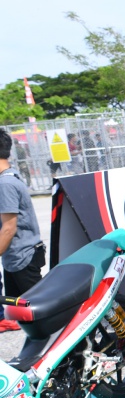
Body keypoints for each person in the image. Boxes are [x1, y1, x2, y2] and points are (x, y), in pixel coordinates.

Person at [0, 129, 46, 300]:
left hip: (22, 259)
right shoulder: (11, 175)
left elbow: (8, 229)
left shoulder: (5, 184)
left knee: (38, 307)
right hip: (16, 258)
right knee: (17, 308)